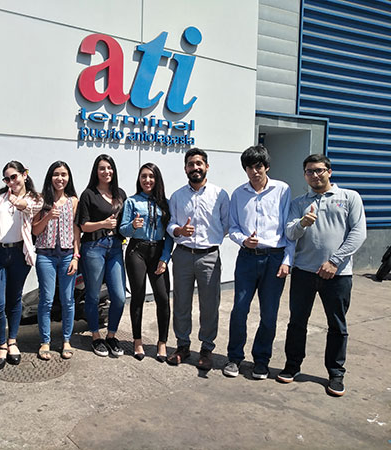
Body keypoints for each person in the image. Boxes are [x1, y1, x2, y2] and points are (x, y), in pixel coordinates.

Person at [277, 154, 366, 397]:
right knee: (297, 322)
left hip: (338, 274)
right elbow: (290, 234)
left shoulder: (349, 197)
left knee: (337, 325)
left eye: (319, 170)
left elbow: (358, 233)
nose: (314, 175)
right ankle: (292, 365)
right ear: (304, 175)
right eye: (309, 171)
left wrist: (335, 261)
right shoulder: (299, 203)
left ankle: (336, 373)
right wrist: (302, 223)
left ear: (329, 171)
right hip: (304, 272)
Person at [223, 145, 294, 379]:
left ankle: (261, 360)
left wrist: (287, 260)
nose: (254, 171)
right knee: (239, 309)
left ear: (267, 167)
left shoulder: (282, 190)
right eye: (249, 167)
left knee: (269, 314)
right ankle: (234, 357)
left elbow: (289, 230)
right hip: (247, 258)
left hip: (274, 258)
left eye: (258, 166)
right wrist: (244, 240)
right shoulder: (238, 194)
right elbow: (233, 227)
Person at [166, 148, 229, 368]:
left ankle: (206, 349)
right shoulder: (177, 196)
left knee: (209, 305)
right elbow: (171, 223)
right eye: (191, 164)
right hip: (183, 255)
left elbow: (226, 224)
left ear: (207, 167)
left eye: (199, 163)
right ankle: (182, 346)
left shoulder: (220, 195)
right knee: (181, 303)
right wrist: (179, 231)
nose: (195, 168)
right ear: (185, 169)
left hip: (209, 256)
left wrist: (211, 238)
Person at [0, 161, 42, 370]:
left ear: (25, 174)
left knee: (14, 299)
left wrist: (19, 202)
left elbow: (31, 208)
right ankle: (1, 344)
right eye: (6, 179)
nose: (10, 182)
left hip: (18, 254)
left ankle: (12, 341)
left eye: (14, 176)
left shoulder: (35, 198)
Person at [120, 163, 173, 362]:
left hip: (158, 251)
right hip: (137, 251)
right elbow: (123, 230)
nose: (147, 180)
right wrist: (133, 226)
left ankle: (162, 342)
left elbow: (169, 235)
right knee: (138, 296)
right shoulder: (132, 201)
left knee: (162, 297)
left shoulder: (166, 203)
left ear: (157, 179)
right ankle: (137, 341)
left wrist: (165, 258)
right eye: (143, 176)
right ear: (139, 179)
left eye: (151, 176)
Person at [76, 154, 127, 357]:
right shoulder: (88, 194)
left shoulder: (120, 194)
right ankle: (96, 336)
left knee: (119, 296)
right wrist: (103, 224)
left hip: (115, 247)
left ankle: (111, 335)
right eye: (102, 168)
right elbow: (83, 225)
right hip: (93, 247)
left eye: (109, 168)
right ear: (96, 172)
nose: (106, 171)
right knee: (93, 295)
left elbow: (124, 222)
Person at [32, 161, 80, 360]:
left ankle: (67, 340)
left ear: (68, 178)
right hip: (46, 255)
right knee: (47, 299)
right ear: (50, 177)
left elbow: (77, 231)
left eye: (64, 174)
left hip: (68, 255)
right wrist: (48, 216)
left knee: (68, 300)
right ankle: (45, 341)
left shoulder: (73, 201)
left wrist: (76, 256)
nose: (60, 178)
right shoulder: (41, 200)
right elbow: (35, 230)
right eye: (56, 174)